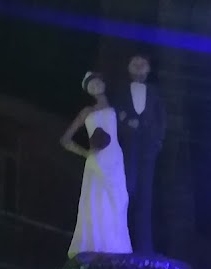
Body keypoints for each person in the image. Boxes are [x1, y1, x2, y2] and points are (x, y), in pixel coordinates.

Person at [61, 72, 132, 258]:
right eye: (90, 86)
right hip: (97, 161)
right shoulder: (87, 111)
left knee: (119, 200)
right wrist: (87, 154)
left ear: (104, 83)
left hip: (115, 159)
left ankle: (116, 249)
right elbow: (65, 140)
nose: (95, 86)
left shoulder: (117, 109)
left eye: (97, 82)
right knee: (97, 203)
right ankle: (95, 248)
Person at [112, 54, 167, 255]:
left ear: (148, 69)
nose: (138, 66)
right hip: (128, 146)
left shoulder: (155, 92)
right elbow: (115, 115)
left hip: (148, 147)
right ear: (128, 68)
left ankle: (144, 246)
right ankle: (120, 241)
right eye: (134, 63)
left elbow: (162, 118)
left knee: (146, 194)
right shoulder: (121, 91)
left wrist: (158, 141)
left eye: (142, 64)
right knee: (127, 191)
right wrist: (127, 124)